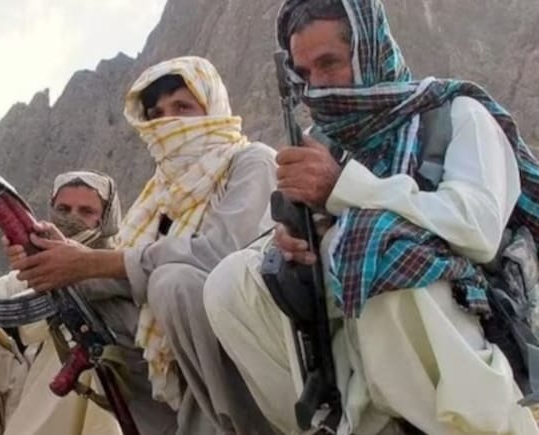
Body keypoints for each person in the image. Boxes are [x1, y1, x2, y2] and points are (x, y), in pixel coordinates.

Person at [203, 0, 539, 434]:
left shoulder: (455, 114)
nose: (317, 86)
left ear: (369, 53)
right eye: (304, 73)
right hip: (358, 346)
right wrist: (296, 238)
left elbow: (479, 227)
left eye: (329, 63)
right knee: (231, 282)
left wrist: (344, 188)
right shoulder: (323, 144)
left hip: (471, 321)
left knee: (375, 243)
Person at [7, 56, 278, 434]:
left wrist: (92, 263)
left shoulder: (252, 161)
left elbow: (219, 253)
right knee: (85, 306)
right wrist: (54, 258)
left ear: (212, 106)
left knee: (173, 284)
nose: (169, 122)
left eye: (182, 107)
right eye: (156, 114)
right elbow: (128, 271)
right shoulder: (160, 191)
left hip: (248, 340)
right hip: (177, 347)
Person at [0, 170, 125, 435]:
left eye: (86, 211)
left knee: (85, 344)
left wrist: (77, 266)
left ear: (106, 219)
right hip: (28, 385)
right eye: (63, 209)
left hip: (91, 388)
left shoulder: (119, 265)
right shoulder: (37, 269)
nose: (72, 218)